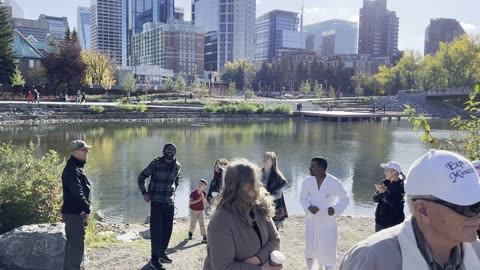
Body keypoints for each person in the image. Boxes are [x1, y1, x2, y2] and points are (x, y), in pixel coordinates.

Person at [340, 149, 480, 270]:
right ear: (422, 210)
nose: (478, 216)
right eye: (471, 207)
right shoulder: (372, 259)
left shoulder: (477, 251)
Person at [203, 159, 282, 270]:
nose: (259, 185)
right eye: (253, 182)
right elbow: (223, 267)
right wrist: (262, 269)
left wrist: (258, 259)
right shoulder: (220, 222)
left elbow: (275, 239)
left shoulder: (259, 207)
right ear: (238, 186)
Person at [299, 157, 350, 270]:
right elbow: (302, 198)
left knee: (328, 250)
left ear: (321, 169)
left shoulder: (334, 182)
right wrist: (309, 207)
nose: (309, 168)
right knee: (310, 250)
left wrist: (335, 209)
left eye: (313, 166)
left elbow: (345, 199)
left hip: (328, 221)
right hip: (312, 219)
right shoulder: (307, 181)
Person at [138, 142, 181, 270]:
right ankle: (154, 260)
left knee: (168, 231)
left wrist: (173, 192)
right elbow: (141, 177)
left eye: (172, 150)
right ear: (164, 151)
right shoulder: (155, 163)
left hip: (169, 203)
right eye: (168, 149)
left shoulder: (177, 165)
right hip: (156, 203)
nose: (170, 151)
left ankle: (162, 253)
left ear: (175, 153)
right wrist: (144, 193)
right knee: (156, 232)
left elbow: (177, 180)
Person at [61, 140, 92, 270]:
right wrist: (87, 209)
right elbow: (77, 192)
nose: (87, 152)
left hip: (75, 213)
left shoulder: (76, 167)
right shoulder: (72, 169)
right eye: (84, 150)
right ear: (75, 152)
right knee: (76, 245)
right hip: (74, 214)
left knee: (74, 244)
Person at [373, 161, 406, 232]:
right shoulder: (384, 182)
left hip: (393, 224)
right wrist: (382, 193)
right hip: (380, 222)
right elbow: (375, 199)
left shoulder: (401, 186)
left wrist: (385, 191)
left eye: (387, 170)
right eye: (385, 170)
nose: (384, 172)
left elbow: (396, 206)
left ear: (395, 172)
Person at [262, 152, 288, 229]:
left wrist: (266, 198)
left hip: (274, 207)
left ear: (272, 161)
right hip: (261, 206)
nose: (264, 158)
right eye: (264, 156)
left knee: (273, 231)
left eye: (267, 157)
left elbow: (278, 195)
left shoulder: (278, 176)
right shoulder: (258, 173)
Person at [188, 179, 208, 243]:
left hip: (201, 211)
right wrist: (198, 200)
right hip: (193, 210)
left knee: (202, 223)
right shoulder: (193, 193)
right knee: (193, 223)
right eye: (199, 183)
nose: (200, 185)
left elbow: (205, 203)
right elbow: (190, 202)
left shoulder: (204, 193)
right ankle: (190, 233)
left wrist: (202, 196)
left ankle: (204, 237)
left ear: (204, 186)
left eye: (202, 184)